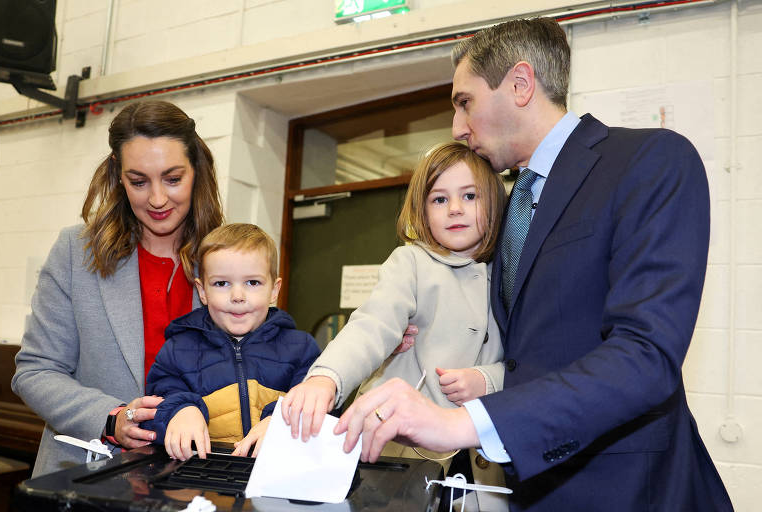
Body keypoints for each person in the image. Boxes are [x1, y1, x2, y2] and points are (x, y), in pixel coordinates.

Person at [332, 18, 733, 511]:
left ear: (520, 85)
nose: (458, 126)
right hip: (527, 486)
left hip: (627, 488)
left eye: (465, 102)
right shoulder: (508, 207)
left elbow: (645, 355)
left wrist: (466, 423)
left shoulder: (648, 160)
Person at [282, 142, 509, 508]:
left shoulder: (508, 273)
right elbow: (372, 325)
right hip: (404, 457)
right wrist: (326, 377)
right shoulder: (412, 263)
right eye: (439, 199)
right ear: (421, 209)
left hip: (483, 467)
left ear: (496, 204)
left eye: (470, 195)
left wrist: (489, 379)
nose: (455, 208)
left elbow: (526, 359)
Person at [12, 100, 223, 477]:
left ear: (197, 171)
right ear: (118, 175)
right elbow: (36, 371)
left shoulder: (227, 259)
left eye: (173, 179)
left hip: (194, 475)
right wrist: (111, 419)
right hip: (89, 474)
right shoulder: (77, 252)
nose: (157, 199)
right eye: (138, 181)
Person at [142, 223, 321, 460]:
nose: (237, 296)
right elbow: (154, 409)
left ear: (274, 290)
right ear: (202, 291)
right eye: (222, 283)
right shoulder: (177, 350)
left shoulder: (301, 348)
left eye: (252, 283)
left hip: (278, 475)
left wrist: (281, 421)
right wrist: (179, 411)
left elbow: (322, 408)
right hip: (203, 477)